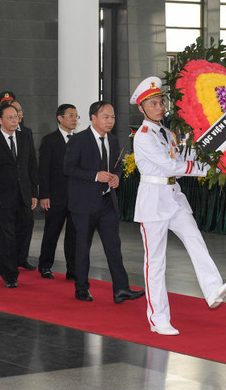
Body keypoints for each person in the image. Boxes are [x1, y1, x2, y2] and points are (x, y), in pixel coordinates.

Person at [130, 77, 226, 335]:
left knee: (194, 238)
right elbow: (170, 166)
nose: (160, 107)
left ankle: (212, 288)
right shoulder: (143, 137)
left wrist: (206, 149)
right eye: (153, 104)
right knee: (155, 262)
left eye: (161, 102)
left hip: (174, 196)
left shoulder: (167, 133)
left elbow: (183, 157)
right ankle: (158, 318)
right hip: (153, 201)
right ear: (142, 108)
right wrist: (207, 170)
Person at [65, 100, 144, 304]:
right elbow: (68, 168)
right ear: (93, 118)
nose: (110, 121)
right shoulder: (79, 140)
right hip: (84, 204)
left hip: (107, 202)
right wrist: (95, 176)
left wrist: (116, 176)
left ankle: (121, 288)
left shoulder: (114, 141)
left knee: (113, 246)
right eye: (106, 117)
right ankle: (81, 288)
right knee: (83, 247)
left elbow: (117, 165)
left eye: (113, 117)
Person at [0, 103, 38, 287]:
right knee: (6, 236)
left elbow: (31, 165)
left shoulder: (25, 137)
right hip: (2, 196)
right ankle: (10, 274)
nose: (14, 120)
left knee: (24, 230)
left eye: (16, 117)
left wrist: (34, 193)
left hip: (23, 194)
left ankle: (2, 263)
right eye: (9, 117)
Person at [37, 104, 78, 280]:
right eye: (70, 116)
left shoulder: (78, 140)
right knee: (52, 232)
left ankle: (73, 269)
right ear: (60, 118)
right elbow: (43, 170)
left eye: (76, 116)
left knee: (74, 235)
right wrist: (44, 195)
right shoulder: (50, 140)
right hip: (55, 196)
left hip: (75, 196)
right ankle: (45, 265)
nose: (74, 119)